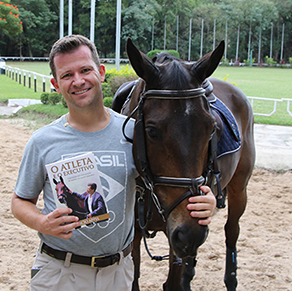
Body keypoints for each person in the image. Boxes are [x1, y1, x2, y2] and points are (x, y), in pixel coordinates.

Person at [11, 35, 216, 291]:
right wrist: (41, 222)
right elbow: (20, 201)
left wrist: (206, 202)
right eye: (67, 75)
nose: (78, 81)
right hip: (59, 272)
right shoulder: (42, 141)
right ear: (55, 84)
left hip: (118, 275)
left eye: (86, 70)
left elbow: (170, 175)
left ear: (101, 72)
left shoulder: (133, 133)